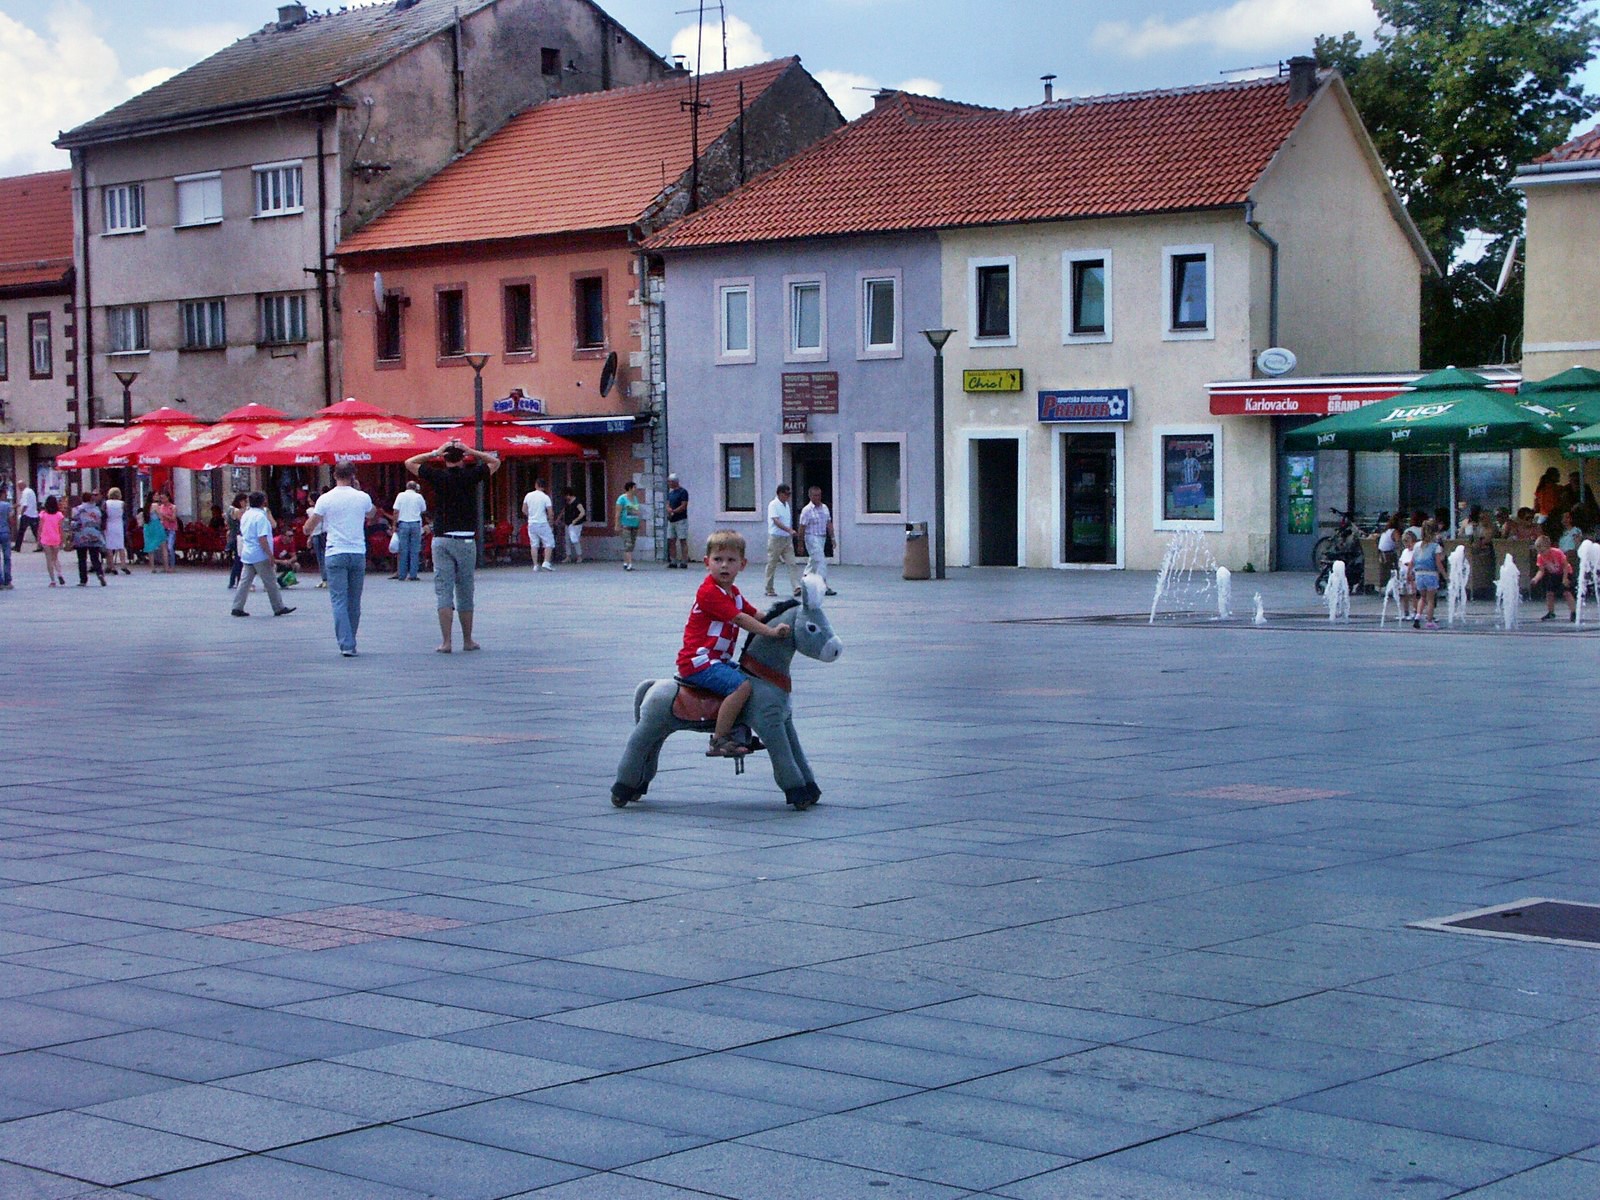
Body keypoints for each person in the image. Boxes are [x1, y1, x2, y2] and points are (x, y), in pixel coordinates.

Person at [678, 529, 792, 757]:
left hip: (717, 660)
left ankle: (740, 733)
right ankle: (719, 740)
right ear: (706, 562)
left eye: (731, 560)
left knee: (751, 678)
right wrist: (770, 632)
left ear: (742, 564)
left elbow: (756, 614)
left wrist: (783, 618)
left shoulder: (734, 593)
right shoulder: (709, 592)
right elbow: (740, 619)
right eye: (717, 560)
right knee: (741, 686)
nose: (724, 566)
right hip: (698, 661)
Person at [407, 437, 500, 653]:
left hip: (441, 538)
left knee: (444, 590)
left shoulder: (437, 476)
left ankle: (446, 642)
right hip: (466, 538)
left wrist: (434, 453)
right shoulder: (471, 475)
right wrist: (472, 451)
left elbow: (409, 463)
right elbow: (495, 462)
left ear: (445, 458)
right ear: (462, 458)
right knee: (465, 589)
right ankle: (468, 640)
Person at [304, 463, 373, 657]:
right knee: (354, 600)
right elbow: (372, 513)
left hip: (335, 552)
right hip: (357, 552)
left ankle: (346, 643)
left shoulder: (325, 499)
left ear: (334, 475)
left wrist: (306, 530)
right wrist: (359, 490)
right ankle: (352, 637)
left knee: (339, 600)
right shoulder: (362, 497)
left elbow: (310, 526)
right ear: (353, 476)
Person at [230, 492, 296, 618]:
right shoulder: (261, 517)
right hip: (260, 554)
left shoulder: (246, 515)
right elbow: (262, 538)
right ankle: (278, 607)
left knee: (245, 582)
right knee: (270, 581)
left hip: (248, 552)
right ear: (263, 502)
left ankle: (237, 606)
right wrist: (270, 555)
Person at [798, 485, 838, 595]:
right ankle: (823, 587)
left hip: (822, 537)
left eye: (819, 495)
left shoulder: (824, 508)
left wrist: (833, 538)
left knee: (813, 561)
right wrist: (800, 544)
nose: (818, 497)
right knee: (821, 561)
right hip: (811, 537)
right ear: (810, 496)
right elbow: (802, 527)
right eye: (815, 495)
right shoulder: (806, 510)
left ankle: (804, 580)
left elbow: (829, 523)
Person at [763, 483, 802, 598]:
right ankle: (769, 587)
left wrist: (789, 533)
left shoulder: (786, 505)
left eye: (789, 494)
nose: (788, 496)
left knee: (792, 563)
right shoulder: (773, 504)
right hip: (776, 538)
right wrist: (789, 530)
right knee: (772, 563)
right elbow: (776, 521)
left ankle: (796, 587)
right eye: (786, 494)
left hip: (786, 539)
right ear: (780, 493)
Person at [1409, 519, 1446, 630]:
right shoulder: (1435, 546)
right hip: (1431, 574)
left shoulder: (1417, 545)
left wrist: (1409, 572)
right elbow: (1438, 563)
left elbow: (1412, 561)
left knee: (1422, 597)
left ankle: (1417, 616)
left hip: (1419, 574)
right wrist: (1445, 575)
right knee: (1431, 599)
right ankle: (1429, 621)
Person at [1530, 534, 1576, 622]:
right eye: (1538, 551)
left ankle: (1573, 612)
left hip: (1566, 572)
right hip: (1554, 574)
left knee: (1567, 592)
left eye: (1542, 551)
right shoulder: (1540, 556)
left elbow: (1565, 565)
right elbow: (1541, 570)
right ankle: (1551, 612)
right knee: (1549, 593)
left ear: (1548, 547)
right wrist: (1536, 578)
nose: (1540, 553)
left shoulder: (1557, 552)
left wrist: (1565, 578)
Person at [71, 492, 108, 587]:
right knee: (95, 556)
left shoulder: (78, 509)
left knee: (82, 558)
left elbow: (74, 522)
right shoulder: (97, 510)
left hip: (81, 534)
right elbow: (100, 522)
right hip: (94, 534)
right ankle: (100, 573)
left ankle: (83, 579)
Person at [392, 480, 427, 581]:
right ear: (415, 487)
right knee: (415, 550)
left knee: (403, 550)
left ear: (406, 487)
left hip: (403, 524)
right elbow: (423, 509)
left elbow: (396, 511)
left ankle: (402, 574)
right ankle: (413, 574)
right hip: (415, 524)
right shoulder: (418, 497)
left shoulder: (400, 495)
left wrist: (394, 525)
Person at [522, 477, 556, 571]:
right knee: (549, 542)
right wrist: (551, 522)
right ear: (544, 487)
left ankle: (535, 565)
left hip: (532, 523)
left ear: (536, 485)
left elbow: (524, 510)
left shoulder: (528, 495)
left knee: (534, 544)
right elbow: (550, 512)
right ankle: (546, 562)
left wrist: (531, 516)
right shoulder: (545, 497)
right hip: (542, 522)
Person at [38, 495, 66, 586]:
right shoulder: (59, 515)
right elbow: (61, 528)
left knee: (48, 559)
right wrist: (63, 540)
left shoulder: (43, 514)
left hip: (46, 538)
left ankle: (53, 580)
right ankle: (60, 573)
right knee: (55, 558)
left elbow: (40, 527)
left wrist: (38, 539)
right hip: (56, 538)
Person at [615, 480, 642, 571]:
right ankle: (630, 563)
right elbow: (618, 513)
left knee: (632, 544)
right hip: (625, 524)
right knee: (628, 544)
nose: (636, 489)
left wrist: (639, 521)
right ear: (630, 488)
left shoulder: (635, 498)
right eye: (634, 488)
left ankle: (625, 562)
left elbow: (637, 510)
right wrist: (617, 525)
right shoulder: (622, 499)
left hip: (634, 524)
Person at [664, 472, 689, 568]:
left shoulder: (683, 492)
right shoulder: (670, 493)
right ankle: (673, 561)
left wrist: (674, 511)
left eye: (670, 482)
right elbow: (667, 503)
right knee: (671, 540)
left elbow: (684, 505)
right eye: (668, 482)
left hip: (681, 520)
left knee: (682, 540)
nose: (669, 484)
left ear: (676, 482)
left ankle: (684, 561)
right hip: (671, 520)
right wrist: (668, 509)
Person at [102, 487, 129, 575]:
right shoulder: (122, 503)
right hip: (119, 524)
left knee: (109, 546)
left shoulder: (106, 503)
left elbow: (103, 514)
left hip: (109, 524)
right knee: (121, 546)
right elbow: (125, 514)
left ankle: (111, 566)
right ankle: (123, 565)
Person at [559, 488, 586, 564]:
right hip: (568, 523)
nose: (565, 498)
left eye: (565, 496)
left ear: (568, 494)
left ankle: (579, 556)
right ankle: (568, 556)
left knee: (575, 540)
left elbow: (582, 512)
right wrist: (559, 518)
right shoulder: (567, 502)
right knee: (567, 540)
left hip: (576, 524)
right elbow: (564, 511)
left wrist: (576, 520)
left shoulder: (577, 502)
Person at [153, 492, 179, 571]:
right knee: (162, 548)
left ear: (168, 498)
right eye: (161, 498)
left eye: (163, 498)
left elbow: (173, 519)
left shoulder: (173, 507)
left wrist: (164, 515)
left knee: (170, 547)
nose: (162, 500)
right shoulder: (160, 507)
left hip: (171, 529)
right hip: (162, 529)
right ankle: (165, 566)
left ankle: (172, 566)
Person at [1376, 513, 1401, 591]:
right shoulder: (1394, 532)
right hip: (1388, 555)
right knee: (1402, 561)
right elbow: (1398, 545)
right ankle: (1400, 583)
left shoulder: (1386, 531)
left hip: (1381, 555)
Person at [141, 503, 166, 573]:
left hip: (147, 527)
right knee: (163, 545)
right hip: (156, 526)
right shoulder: (155, 505)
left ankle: (152, 567)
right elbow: (160, 516)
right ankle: (165, 566)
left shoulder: (146, 507)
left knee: (150, 547)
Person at [16, 483, 40, 550]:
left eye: (19, 487)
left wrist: (21, 514)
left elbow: (25, 505)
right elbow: (21, 503)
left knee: (21, 531)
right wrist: (13, 506)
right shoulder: (30, 491)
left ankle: (17, 547)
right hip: (34, 514)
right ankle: (41, 545)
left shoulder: (25, 492)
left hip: (27, 515)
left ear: (22, 485)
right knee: (36, 531)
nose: (19, 488)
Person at [0, 490, 12, 589]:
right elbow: (10, 519)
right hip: (5, 532)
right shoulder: (6, 505)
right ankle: (8, 580)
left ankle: (0, 581)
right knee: (7, 557)